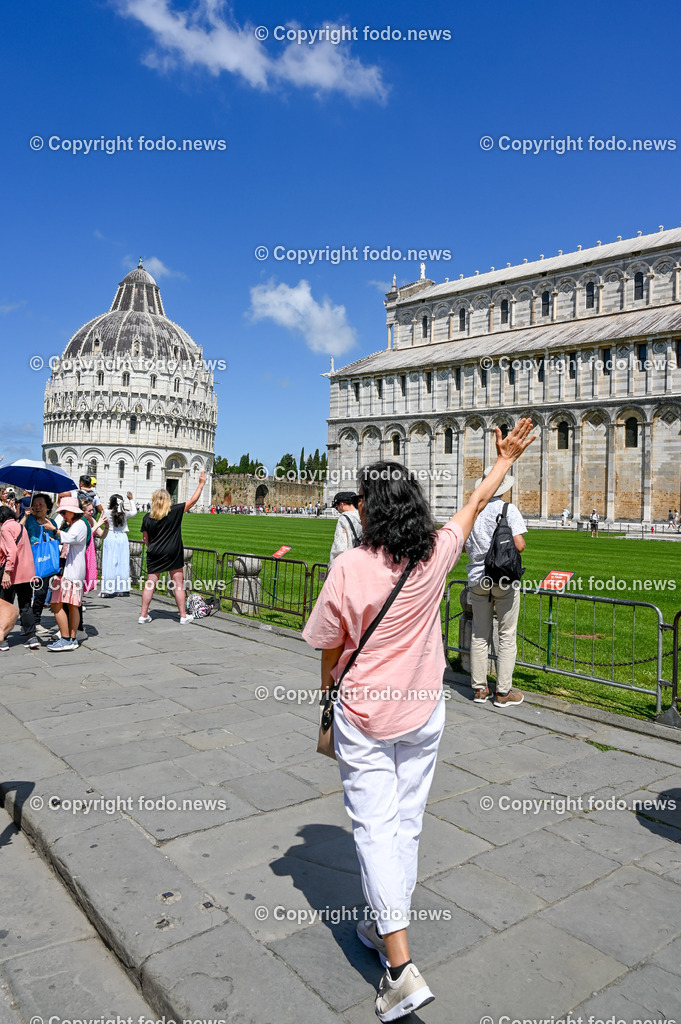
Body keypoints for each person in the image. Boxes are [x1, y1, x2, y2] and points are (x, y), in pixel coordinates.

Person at [302, 420, 536, 1022]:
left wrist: (328, 691)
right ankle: (382, 931)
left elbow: (329, 645)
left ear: (369, 512)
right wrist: (505, 458)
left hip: (366, 715)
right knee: (404, 827)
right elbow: (477, 501)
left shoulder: (350, 567)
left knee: (376, 831)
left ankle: (400, 969)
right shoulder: (435, 553)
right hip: (424, 710)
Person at [465, 468, 527, 707]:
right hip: (503, 579)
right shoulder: (507, 509)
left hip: (478, 579)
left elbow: (463, 546)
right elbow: (520, 545)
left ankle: (479, 689)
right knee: (506, 635)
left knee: (479, 635)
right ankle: (503, 692)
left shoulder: (472, 510)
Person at [139, 471, 206, 624]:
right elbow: (193, 500)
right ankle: (183, 616)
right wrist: (201, 484)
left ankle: (143, 614)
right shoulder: (174, 511)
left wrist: (153, 547)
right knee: (178, 584)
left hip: (155, 551)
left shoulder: (147, 517)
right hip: (173, 551)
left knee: (150, 583)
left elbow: (145, 539)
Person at [45, 496, 90, 651]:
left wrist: (55, 530)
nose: (63, 514)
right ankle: (70, 638)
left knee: (61, 603)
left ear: (73, 511)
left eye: (65, 512)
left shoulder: (79, 525)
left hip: (71, 571)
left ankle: (67, 638)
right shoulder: (74, 524)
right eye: (62, 512)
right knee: (70, 605)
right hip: (68, 569)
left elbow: (72, 539)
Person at [0, 505, 39, 651]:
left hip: (12, 574)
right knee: (26, 606)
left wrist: (7, 572)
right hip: (27, 573)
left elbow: (12, 551)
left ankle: (2, 639)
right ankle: (31, 637)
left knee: (5, 605)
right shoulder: (21, 527)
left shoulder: (5, 528)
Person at [20, 492, 59, 637]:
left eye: (40, 505)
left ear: (48, 507)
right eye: (35, 505)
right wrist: (24, 515)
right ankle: (26, 624)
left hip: (45, 563)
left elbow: (56, 540)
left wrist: (45, 542)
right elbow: (17, 531)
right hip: (29, 561)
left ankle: (36, 621)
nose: (37, 507)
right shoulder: (29, 520)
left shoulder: (52, 523)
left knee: (41, 593)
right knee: (26, 594)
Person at [96, 491, 136, 596]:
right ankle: (120, 589)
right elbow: (134, 512)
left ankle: (107, 590)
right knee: (122, 562)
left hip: (110, 535)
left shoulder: (106, 512)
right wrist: (131, 499)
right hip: (122, 537)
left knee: (109, 562)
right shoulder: (125, 514)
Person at [329, 491, 362, 563]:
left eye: (336, 506)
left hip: (347, 562)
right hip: (361, 561)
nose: (337, 509)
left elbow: (339, 548)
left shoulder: (343, 519)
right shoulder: (363, 516)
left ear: (341, 504)